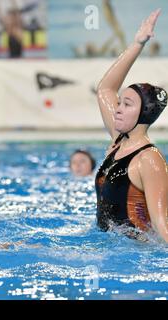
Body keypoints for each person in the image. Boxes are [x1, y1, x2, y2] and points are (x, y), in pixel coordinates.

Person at [95, 9, 168, 242]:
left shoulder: (149, 159)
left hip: (135, 253)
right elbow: (105, 89)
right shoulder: (119, 140)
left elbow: (161, 224)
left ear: (144, 114)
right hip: (106, 244)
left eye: (126, 104)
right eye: (120, 103)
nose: (117, 108)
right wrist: (137, 44)